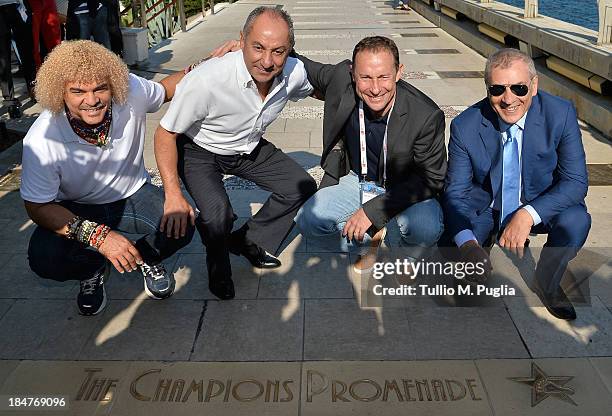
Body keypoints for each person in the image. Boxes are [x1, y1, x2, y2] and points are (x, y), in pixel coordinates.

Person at [21, 40, 194, 316]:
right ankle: (91, 269)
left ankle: (145, 258)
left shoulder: (132, 90)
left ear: (113, 84)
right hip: (74, 208)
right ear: (59, 92)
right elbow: (37, 207)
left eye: (100, 88)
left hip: (132, 195)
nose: (91, 100)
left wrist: (210, 63)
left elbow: (167, 89)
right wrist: (98, 237)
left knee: (180, 223)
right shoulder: (42, 139)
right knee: (44, 258)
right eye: (78, 91)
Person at [154, 6, 317, 300]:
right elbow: (165, 133)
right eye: (258, 47)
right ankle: (218, 265)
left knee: (300, 186)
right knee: (218, 215)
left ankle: (245, 240)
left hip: (247, 146)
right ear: (241, 40)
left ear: (290, 51)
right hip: (199, 151)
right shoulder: (207, 79)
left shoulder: (293, 73)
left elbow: (322, 88)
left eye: (278, 51)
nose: (267, 61)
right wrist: (172, 193)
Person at [442, 48, 590, 320]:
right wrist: (467, 244)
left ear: (534, 86)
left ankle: (547, 280)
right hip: (488, 205)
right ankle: (481, 245)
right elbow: (456, 193)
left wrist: (527, 214)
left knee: (576, 221)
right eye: (497, 89)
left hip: (538, 201)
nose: (508, 99)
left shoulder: (560, 114)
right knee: (453, 241)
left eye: (519, 88)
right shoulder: (465, 125)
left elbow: (576, 182)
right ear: (487, 89)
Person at [292, 36, 446, 271]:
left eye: (384, 76)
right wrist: (248, 47)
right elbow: (300, 64)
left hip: (405, 186)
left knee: (426, 228)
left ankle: (407, 256)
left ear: (399, 72)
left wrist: (373, 212)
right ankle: (366, 243)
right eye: (365, 77)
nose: (375, 89)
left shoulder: (425, 115)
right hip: (358, 179)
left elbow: (432, 178)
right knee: (309, 220)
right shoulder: (340, 79)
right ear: (353, 73)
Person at [0, 0, 36, 118]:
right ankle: (10, 103)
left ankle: (33, 89)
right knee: (3, 59)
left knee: (27, 52)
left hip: (18, 6)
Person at [28, 0, 61, 69]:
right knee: (33, 41)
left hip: (49, 3)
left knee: (54, 38)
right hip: (31, 3)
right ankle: (37, 72)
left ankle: (58, 68)